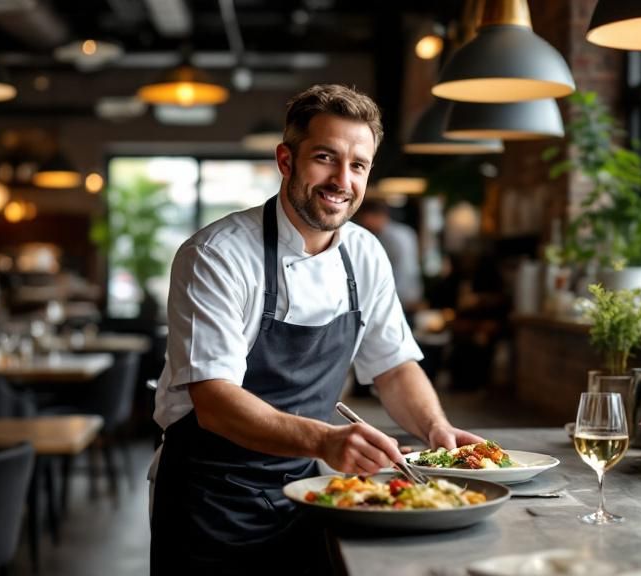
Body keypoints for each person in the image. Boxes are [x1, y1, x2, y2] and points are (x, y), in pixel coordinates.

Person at [148, 84, 483, 576]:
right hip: (210, 498)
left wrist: (435, 429)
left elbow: (393, 365)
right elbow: (215, 403)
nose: (342, 180)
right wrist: (325, 441)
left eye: (358, 165)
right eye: (325, 158)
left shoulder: (365, 253)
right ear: (286, 160)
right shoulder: (216, 256)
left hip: (307, 491)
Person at [355, 198, 424, 316]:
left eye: (364, 218)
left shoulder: (388, 238)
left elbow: (400, 271)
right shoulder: (405, 231)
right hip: (410, 294)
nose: (364, 224)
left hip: (399, 298)